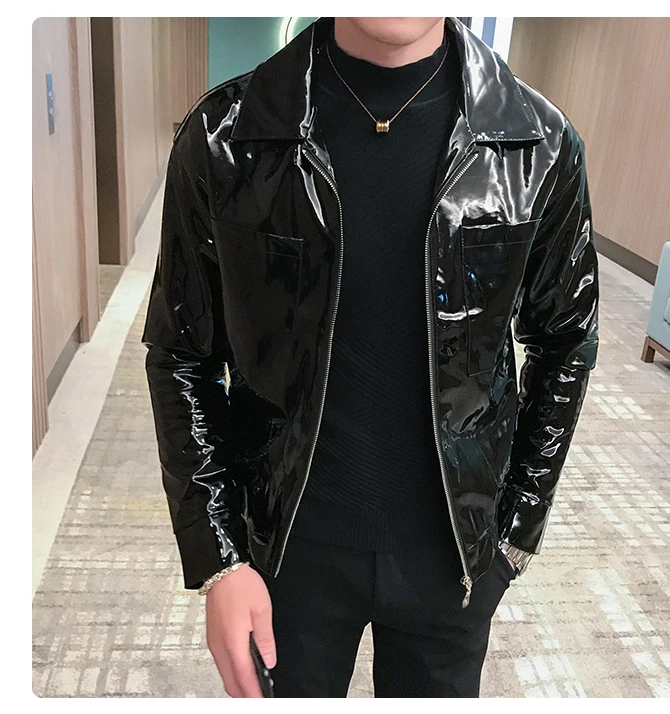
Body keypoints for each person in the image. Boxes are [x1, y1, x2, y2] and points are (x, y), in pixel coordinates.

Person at [141, 16, 599, 698]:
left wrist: (514, 534)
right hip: (283, 549)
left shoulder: (537, 141)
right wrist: (219, 558)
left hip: (454, 558)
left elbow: (565, 339)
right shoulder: (226, 135)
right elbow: (182, 351)